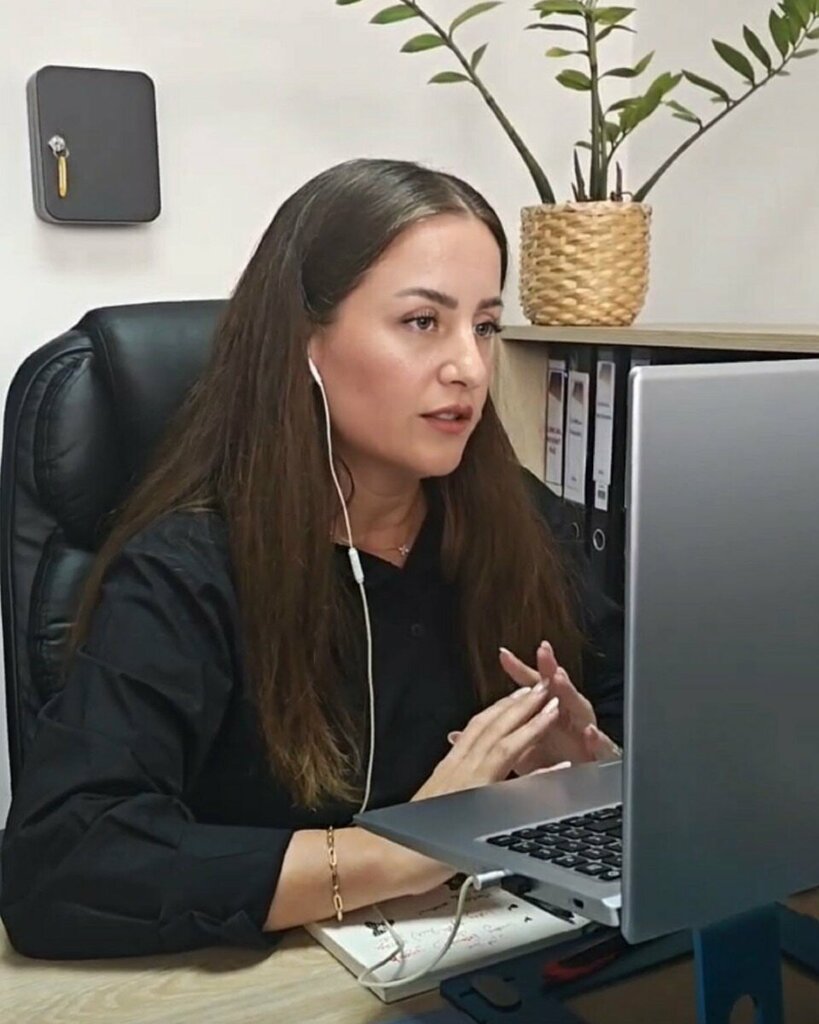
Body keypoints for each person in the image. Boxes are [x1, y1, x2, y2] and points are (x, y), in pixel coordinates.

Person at [0, 158, 623, 960]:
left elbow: (653, 721)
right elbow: (60, 865)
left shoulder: (517, 518)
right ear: (304, 340)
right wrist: (403, 851)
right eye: (422, 322)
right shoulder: (187, 570)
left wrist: (593, 767)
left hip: (495, 961)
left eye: (485, 326)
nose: (469, 367)